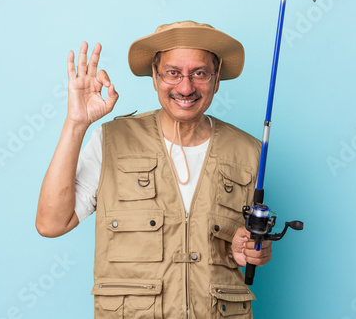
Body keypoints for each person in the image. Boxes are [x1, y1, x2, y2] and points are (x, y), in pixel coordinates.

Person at [36, 20, 273, 318]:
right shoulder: (111, 140)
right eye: (172, 73)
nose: (185, 87)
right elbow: (51, 223)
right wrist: (76, 124)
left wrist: (249, 251)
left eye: (199, 73)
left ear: (216, 78)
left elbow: (240, 245)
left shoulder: (249, 151)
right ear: (154, 76)